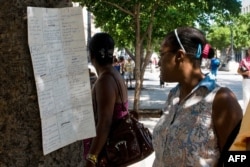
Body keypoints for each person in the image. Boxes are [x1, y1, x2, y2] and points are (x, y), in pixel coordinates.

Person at [153, 27, 243, 167]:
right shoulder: (173, 95)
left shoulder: (221, 100)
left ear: (179, 56)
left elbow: (240, 158)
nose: (158, 62)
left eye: (161, 54)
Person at [83, 33, 129, 167]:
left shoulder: (105, 80)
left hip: (107, 153)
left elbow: (104, 123)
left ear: (91, 55)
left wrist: (92, 158)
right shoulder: (114, 75)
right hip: (113, 149)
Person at [237, 48, 250, 113]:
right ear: (248, 51)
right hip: (247, 81)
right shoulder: (244, 60)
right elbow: (238, 71)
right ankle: (246, 116)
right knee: (247, 98)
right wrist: (245, 73)